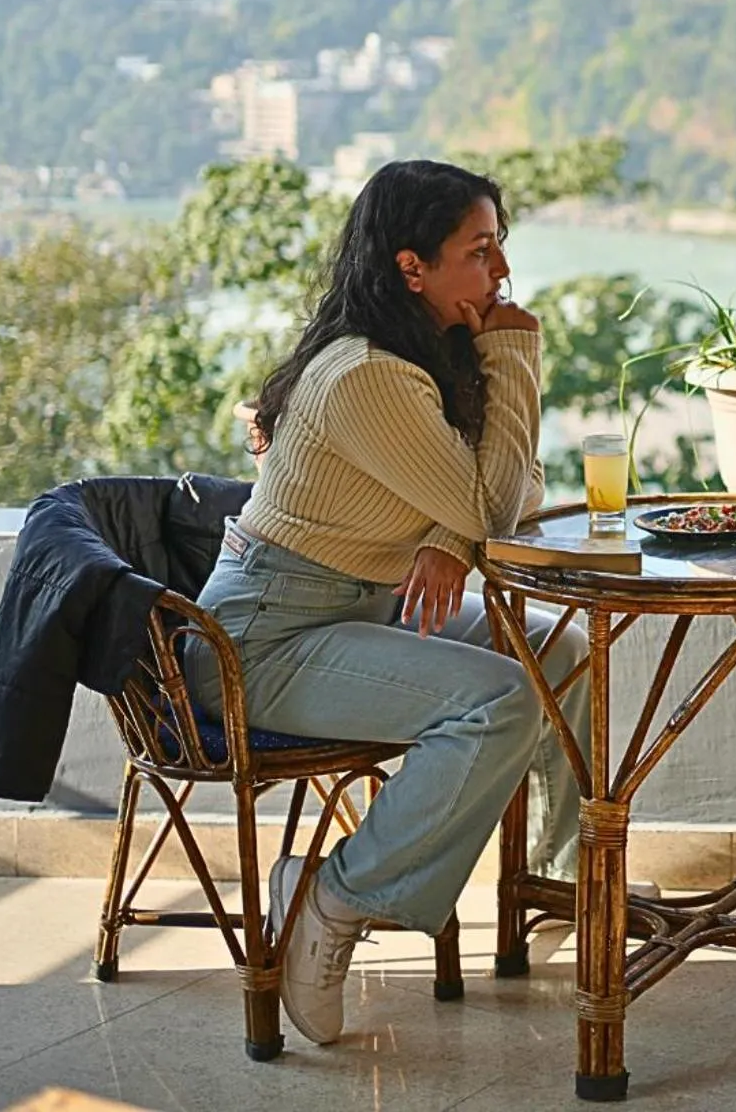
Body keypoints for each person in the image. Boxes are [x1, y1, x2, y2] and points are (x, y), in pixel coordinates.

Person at [184, 158, 589, 1047]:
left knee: (556, 650)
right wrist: (516, 358)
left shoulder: (418, 358)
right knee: (497, 701)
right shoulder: (367, 375)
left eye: (500, 248)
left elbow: (502, 498)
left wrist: (449, 538)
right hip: (264, 638)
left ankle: (565, 878)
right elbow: (494, 502)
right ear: (414, 267)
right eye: (480, 252)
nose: (502, 275)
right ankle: (335, 896)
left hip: (361, 608)